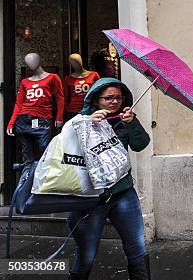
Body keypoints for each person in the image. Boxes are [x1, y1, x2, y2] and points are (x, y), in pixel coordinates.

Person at [68, 77, 151, 279]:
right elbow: (66, 151)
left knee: (137, 249)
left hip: (123, 193)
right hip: (90, 199)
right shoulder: (80, 122)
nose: (114, 102)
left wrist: (133, 123)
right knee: (87, 255)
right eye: (108, 98)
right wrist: (88, 123)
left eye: (118, 97)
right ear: (96, 100)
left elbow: (141, 145)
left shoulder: (125, 119)